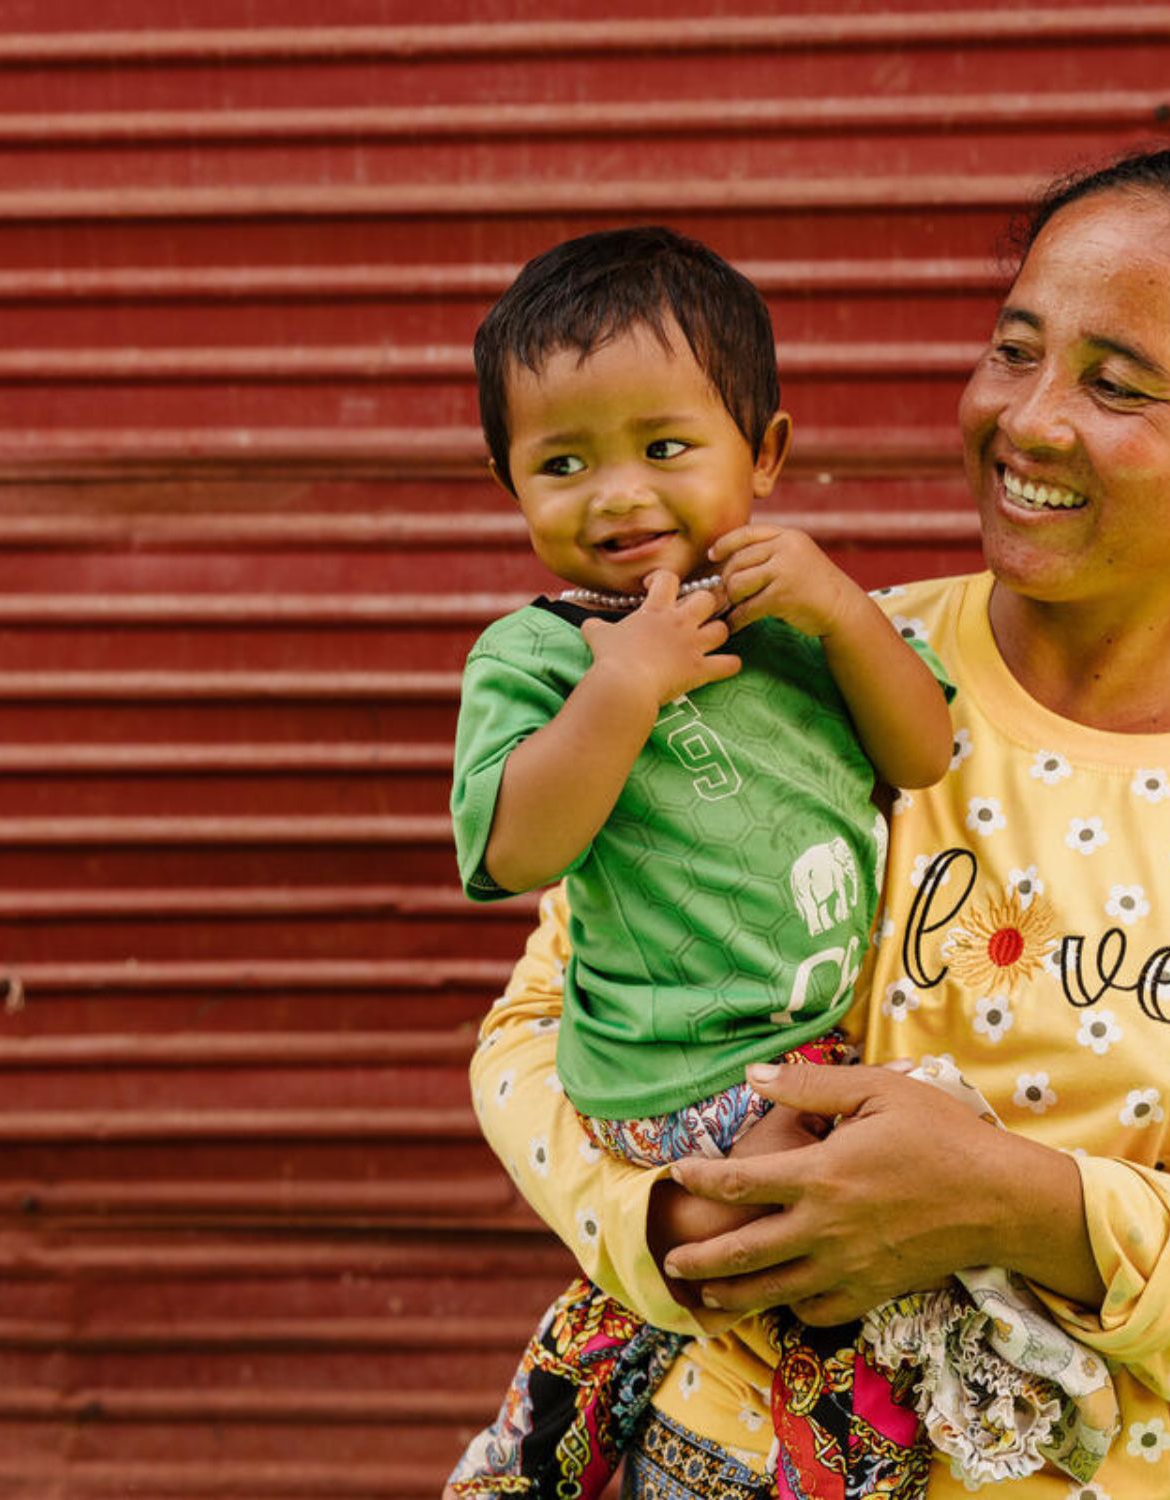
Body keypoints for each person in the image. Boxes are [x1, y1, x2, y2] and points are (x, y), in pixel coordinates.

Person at [464, 150, 1170, 1499]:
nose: (1030, 421)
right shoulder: (798, 660)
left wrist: (1021, 1205)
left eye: (1116, 384)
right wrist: (677, 1220)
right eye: (1014, 350)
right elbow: (537, 1032)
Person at [445, 227, 1113, 1500]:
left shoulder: (793, 624)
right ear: (508, 481)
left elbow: (920, 752)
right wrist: (624, 689)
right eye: (562, 463)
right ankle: (872, 1443)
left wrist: (844, 612)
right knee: (847, 1250)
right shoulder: (540, 654)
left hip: (802, 1050)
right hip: (670, 1063)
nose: (617, 495)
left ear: (764, 454)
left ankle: (556, 1436)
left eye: (664, 448)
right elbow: (515, 848)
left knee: (845, 1222)